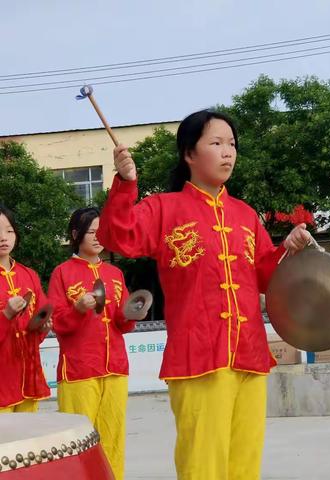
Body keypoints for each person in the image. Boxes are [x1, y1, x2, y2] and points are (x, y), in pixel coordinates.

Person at [96, 110, 311, 480]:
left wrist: (287, 250)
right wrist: (126, 183)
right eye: (215, 143)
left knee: (245, 463)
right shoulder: (164, 208)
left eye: (231, 144)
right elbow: (117, 236)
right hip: (198, 357)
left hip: (249, 353)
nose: (227, 152)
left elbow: (264, 277)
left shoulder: (245, 215)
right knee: (203, 465)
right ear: (189, 154)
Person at [48, 207, 136, 480]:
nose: (98, 238)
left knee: (113, 438)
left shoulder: (115, 274)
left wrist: (133, 312)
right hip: (79, 371)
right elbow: (57, 322)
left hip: (115, 369)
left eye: (102, 232)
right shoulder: (62, 273)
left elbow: (123, 322)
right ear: (76, 235)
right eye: (91, 232)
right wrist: (77, 308)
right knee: (77, 444)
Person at [0, 205, 50, 413]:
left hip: (28, 376)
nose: (3, 237)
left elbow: (39, 319)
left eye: (9, 230)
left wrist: (43, 327)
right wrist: (6, 315)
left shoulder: (29, 275)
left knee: (30, 442)